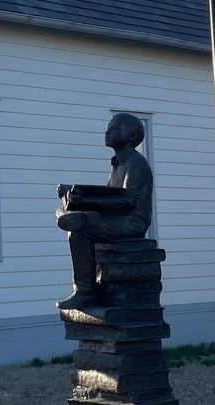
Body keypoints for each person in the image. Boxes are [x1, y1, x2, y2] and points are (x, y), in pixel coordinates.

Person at [56, 113, 153, 309]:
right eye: (108, 128)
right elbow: (110, 195)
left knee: (80, 232)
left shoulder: (136, 163)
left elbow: (127, 201)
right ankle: (77, 215)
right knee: (69, 210)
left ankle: (85, 293)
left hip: (132, 221)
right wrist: (76, 194)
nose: (107, 132)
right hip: (118, 217)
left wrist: (85, 200)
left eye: (114, 128)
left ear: (132, 136)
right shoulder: (118, 163)